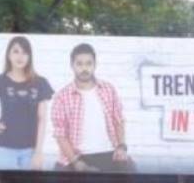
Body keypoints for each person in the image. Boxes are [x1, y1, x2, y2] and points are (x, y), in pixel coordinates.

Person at [0, 35, 54, 171]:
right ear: (8, 55)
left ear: (30, 56)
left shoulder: (40, 82)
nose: (20, 56)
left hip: (31, 150)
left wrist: (38, 151)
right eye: (16, 51)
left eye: (25, 52)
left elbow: (42, 119)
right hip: (3, 149)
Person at [51, 42, 135, 173]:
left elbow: (118, 120)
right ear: (72, 66)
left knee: (133, 171)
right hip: (77, 156)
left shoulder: (108, 89)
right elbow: (60, 134)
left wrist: (121, 147)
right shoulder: (61, 96)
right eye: (79, 64)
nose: (84, 68)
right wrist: (76, 162)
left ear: (94, 65)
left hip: (109, 153)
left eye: (88, 63)